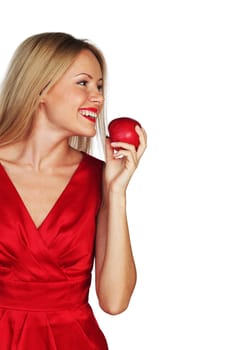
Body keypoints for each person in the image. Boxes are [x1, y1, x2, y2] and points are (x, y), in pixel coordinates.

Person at [0, 32, 147, 349]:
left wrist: (116, 193)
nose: (98, 97)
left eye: (100, 86)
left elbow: (115, 301)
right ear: (40, 89)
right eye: (83, 83)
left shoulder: (98, 177)